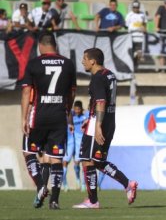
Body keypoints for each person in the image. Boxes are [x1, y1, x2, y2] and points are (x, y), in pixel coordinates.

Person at [73, 48, 138, 209]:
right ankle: (128, 183)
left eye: (85, 59)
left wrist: (96, 125)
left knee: (87, 161)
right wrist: (90, 119)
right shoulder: (110, 75)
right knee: (98, 161)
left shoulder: (97, 78)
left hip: (100, 122)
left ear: (93, 61)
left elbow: (100, 102)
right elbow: (98, 101)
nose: (83, 62)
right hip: (108, 121)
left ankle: (93, 201)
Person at [21, 31, 76, 209]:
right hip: (59, 116)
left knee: (28, 152)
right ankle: (54, 200)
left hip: (38, 115)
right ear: (55, 44)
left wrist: (23, 117)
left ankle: (41, 186)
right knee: (56, 158)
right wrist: (67, 110)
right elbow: (72, 92)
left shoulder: (34, 64)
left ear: (40, 45)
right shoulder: (68, 64)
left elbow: (26, 92)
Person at [62, 100, 88, 192]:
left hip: (79, 142)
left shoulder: (85, 116)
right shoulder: (70, 115)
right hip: (69, 141)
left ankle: (81, 182)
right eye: (75, 109)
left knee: (78, 163)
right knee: (64, 162)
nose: (77, 111)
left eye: (78, 109)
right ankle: (64, 185)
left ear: (81, 109)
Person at [126, 0, 147, 65]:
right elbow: (127, 25)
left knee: (139, 52)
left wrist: (144, 29)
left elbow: (144, 23)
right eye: (134, 7)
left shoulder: (142, 14)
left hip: (140, 36)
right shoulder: (129, 15)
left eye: (137, 7)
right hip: (132, 36)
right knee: (133, 52)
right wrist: (134, 29)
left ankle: (135, 64)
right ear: (132, 7)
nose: (136, 9)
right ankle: (133, 65)